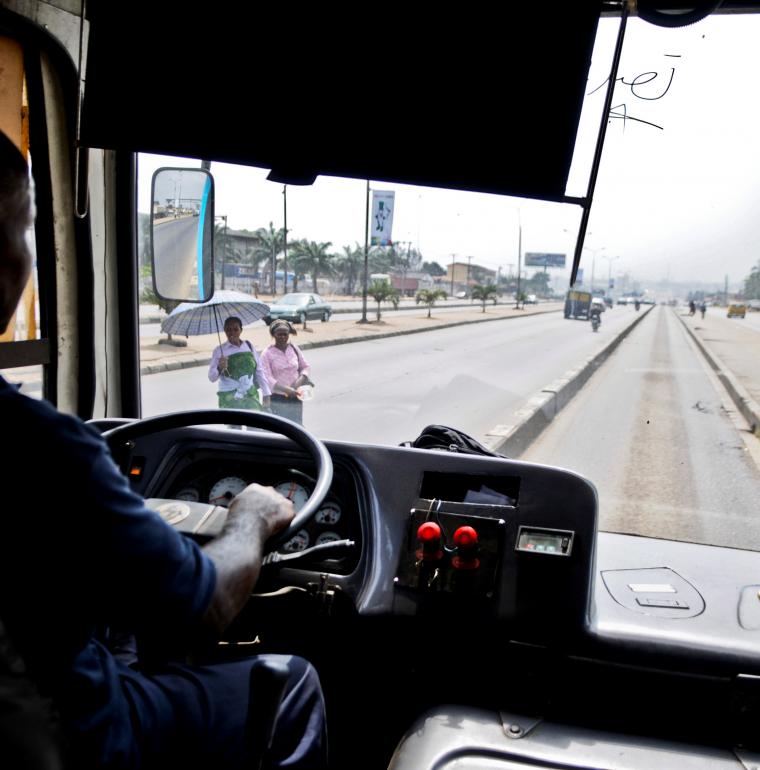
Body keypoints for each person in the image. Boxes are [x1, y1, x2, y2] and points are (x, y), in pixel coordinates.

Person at [0, 131, 327, 769]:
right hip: (72, 733)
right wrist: (251, 520)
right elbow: (200, 607)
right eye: (23, 232)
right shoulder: (42, 447)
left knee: (119, 623)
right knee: (295, 683)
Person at [208, 316, 271, 411]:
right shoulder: (219, 351)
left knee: (254, 424)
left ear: (241, 330)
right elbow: (212, 377)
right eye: (228, 330)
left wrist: (266, 394)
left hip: (250, 395)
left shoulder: (249, 346)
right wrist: (220, 368)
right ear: (224, 331)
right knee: (235, 425)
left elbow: (259, 371)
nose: (232, 332)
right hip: (229, 398)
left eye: (235, 329)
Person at [260, 320, 312, 425]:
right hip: (278, 399)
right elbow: (267, 378)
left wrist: (298, 382)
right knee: (281, 429)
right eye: (279, 334)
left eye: (285, 334)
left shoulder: (293, 348)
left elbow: (305, 367)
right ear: (273, 335)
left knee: (297, 427)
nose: (283, 337)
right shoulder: (267, 353)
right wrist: (287, 390)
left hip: (296, 396)